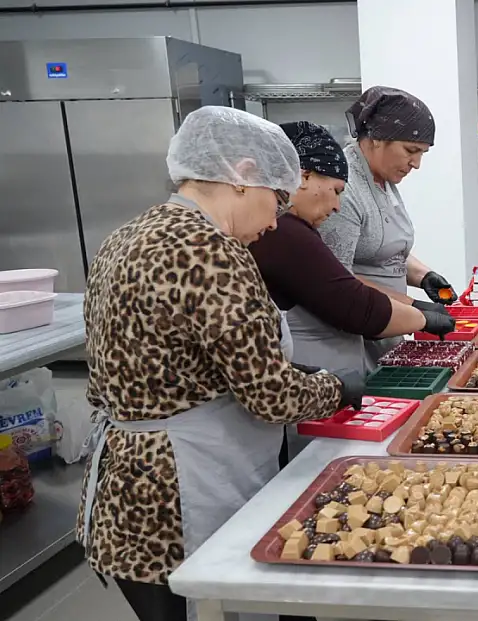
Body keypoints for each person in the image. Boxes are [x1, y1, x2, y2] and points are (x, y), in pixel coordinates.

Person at [76, 107, 367, 621]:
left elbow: (183, 360)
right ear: (243, 175)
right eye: (276, 200)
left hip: (122, 483)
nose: (276, 220)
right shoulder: (211, 250)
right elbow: (269, 395)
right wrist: (335, 388)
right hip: (183, 482)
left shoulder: (126, 235)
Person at [249, 121, 454, 375]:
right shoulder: (284, 232)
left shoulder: (296, 228)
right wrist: (420, 315)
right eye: (335, 191)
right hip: (316, 385)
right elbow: (352, 302)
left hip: (331, 377)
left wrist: (421, 277)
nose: (337, 205)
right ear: (303, 177)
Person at [319, 86, 456, 364]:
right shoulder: (344, 188)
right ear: (378, 138)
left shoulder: (383, 180)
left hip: (389, 324)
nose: (416, 163)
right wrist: (413, 308)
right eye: (410, 150)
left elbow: (379, 246)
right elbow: (335, 279)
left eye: (422, 154)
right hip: (355, 333)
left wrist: (422, 275)